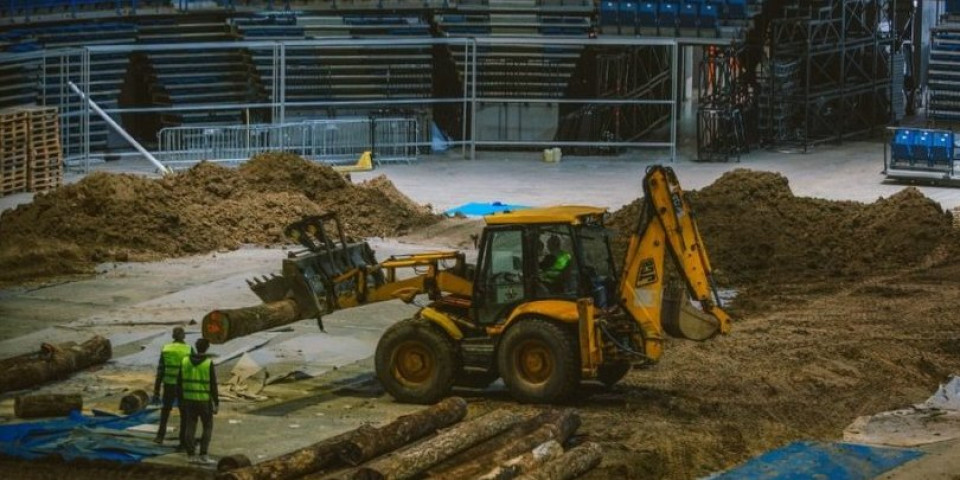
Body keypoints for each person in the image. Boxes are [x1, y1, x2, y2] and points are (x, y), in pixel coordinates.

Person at [179, 338, 219, 464]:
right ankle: (203, 454)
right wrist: (216, 402)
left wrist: (181, 399)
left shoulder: (185, 361)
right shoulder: (208, 363)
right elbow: (213, 384)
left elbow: (179, 382)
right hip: (204, 401)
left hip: (188, 399)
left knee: (190, 426)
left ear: (196, 347)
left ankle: (191, 454)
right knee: (207, 426)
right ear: (207, 348)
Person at [153, 326, 191, 446]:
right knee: (184, 413)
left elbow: (160, 370)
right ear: (183, 336)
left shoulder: (166, 348)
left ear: (173, 336)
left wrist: (156, 390)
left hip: (169, 384)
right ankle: (183, 440)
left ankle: (160, 436)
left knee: (165, 411)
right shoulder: (189, 349)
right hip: (183, 385)